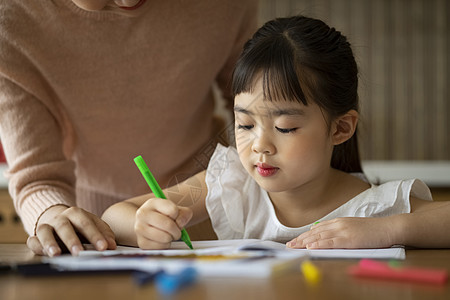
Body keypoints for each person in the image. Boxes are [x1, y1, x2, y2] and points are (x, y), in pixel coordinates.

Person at [102, 14, 450, 250]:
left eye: (285, 127)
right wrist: (141, 225)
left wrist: (387, 229)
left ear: (340, 128)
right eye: (245, 124)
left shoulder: (373, 208)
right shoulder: (232, 183)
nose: (260, 146)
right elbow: (114, 215)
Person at [0, 0, 257, 256]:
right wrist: (56, 215)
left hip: (206, 215)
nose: (129, 2)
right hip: (94, 232)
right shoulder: (9, 24)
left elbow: (257, 109)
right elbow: (38, 176)